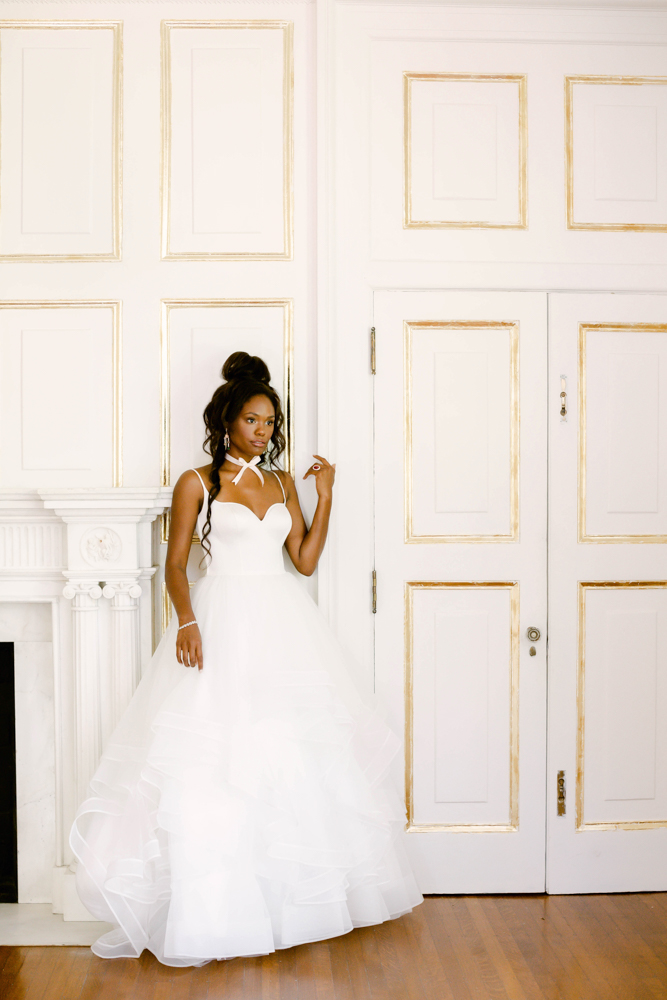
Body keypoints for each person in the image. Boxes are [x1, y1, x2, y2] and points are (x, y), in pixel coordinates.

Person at [70, 351, 422, 967]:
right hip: (220, 620)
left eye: (269, 422)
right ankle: (215, 910)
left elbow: (305, 561)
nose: (263, 431)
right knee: (214, 756)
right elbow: (177, 563)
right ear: (227, 420)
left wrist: (326, 494)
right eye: (253, 420)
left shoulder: (284, 482)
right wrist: (188, 620)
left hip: (284, 627)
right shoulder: (197, 482)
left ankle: (294, 905)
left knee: (287, 752)